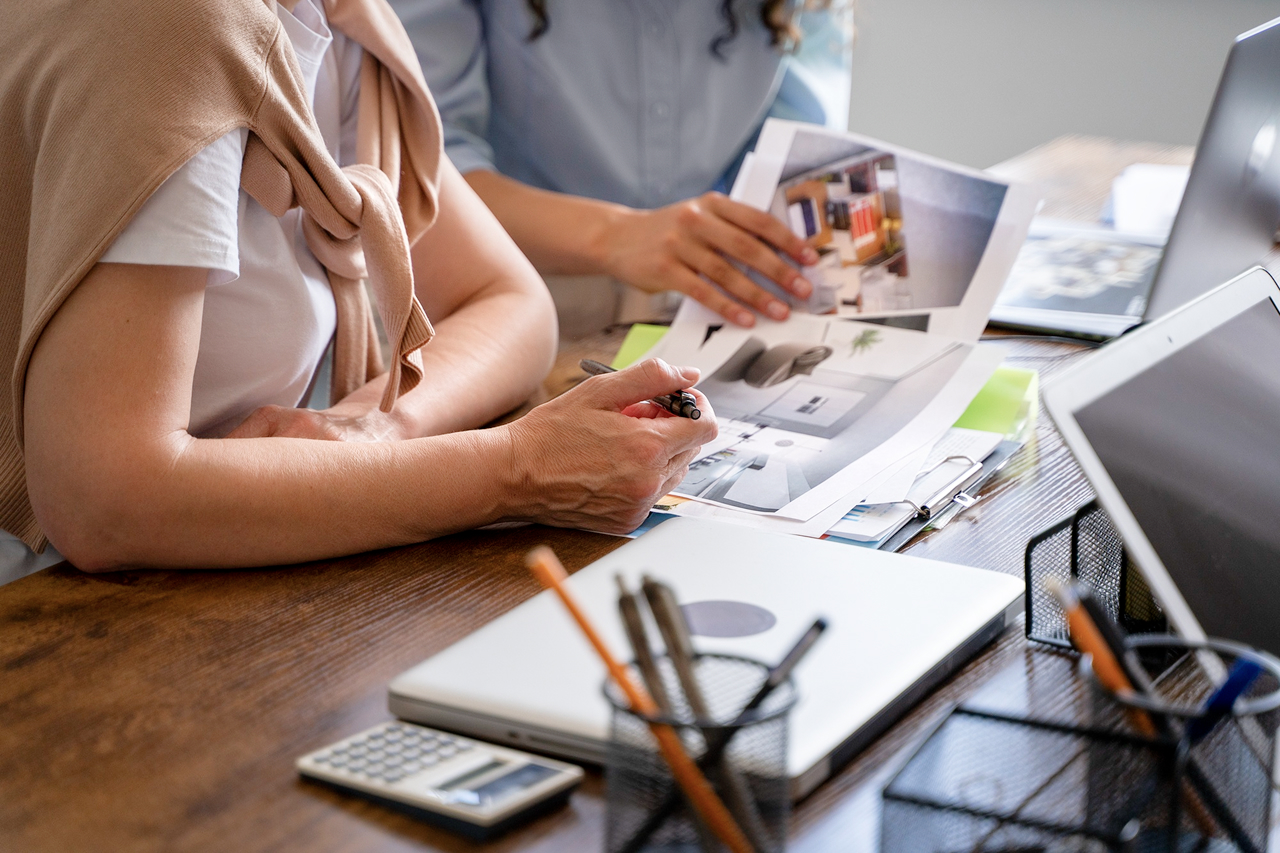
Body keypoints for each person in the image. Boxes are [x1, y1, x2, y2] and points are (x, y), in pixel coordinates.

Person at [0, 0, 717, 583]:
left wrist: (377, 428)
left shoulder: (342, 20)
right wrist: (517, 468)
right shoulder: (173, 26)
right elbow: (105, 504)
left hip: (214, 574)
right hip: (48, 609)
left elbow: (511, 300)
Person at [391, 0, 853, 328]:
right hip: (501, 296)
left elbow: (787, 145)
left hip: (699, 308)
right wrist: (618, 236)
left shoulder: (798, 13)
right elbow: (415, 171)